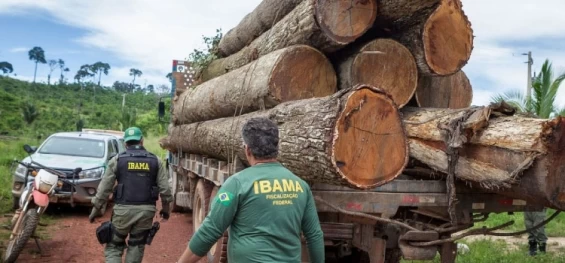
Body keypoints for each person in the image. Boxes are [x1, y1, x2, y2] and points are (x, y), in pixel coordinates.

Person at [177, 117, 324, 263]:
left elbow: (210, 230)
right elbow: (314, 235)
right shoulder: (301, 186)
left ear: (247, 150)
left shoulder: (235, 185)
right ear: (277, 147)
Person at [89, 127, 172, 263]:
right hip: (146, 212)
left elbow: (104, 189)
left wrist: (95, 209)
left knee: (114, 246)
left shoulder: (117, 160)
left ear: (126, 143)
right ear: (142, 141)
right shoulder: (155, 161)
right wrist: (166, 210)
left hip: (122, 211)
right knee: (136, 246)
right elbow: (165, 190)